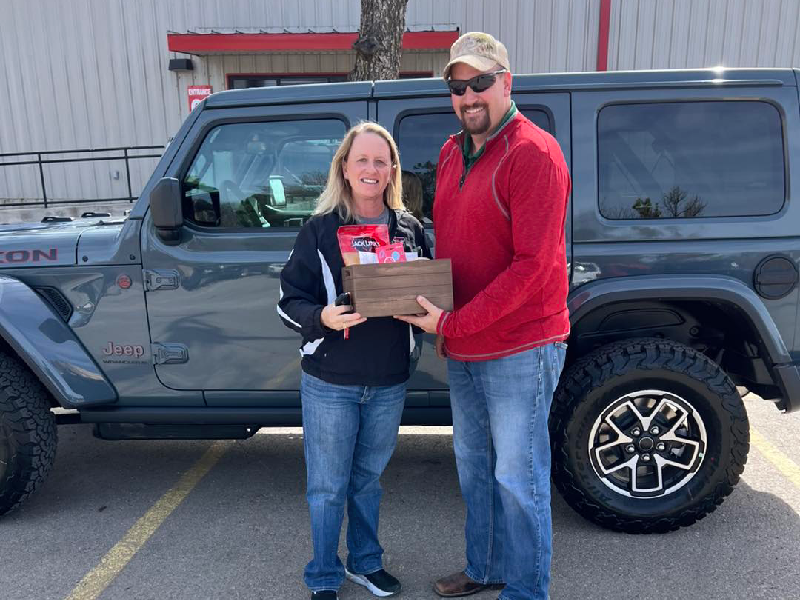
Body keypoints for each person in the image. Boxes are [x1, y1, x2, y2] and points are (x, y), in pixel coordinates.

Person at [395, 32, 571, 600]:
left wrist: (451, 326)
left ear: (506, 82)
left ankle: (526, 588)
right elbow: (451, 243)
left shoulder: (533, 153)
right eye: (457, 86)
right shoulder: (452, 152)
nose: (468, 95)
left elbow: (533, 269)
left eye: (480, 82)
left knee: (518, 478)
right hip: (465, 344)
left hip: (519, 344)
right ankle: (486, 566)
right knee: (475, 468)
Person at [278, 121, 431, 600]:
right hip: (330, 381)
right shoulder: (319, 230)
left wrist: (429, 314)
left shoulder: (411, 230)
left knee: (367, 482)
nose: (371, 169)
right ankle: (324, 574)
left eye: (380, 161)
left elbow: (428, 295)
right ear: (345, 168)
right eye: (361, 159)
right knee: (327, 487)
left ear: (392, 171)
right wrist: (322, 316)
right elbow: (288, 301)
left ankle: (365, 563)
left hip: (388, 381)